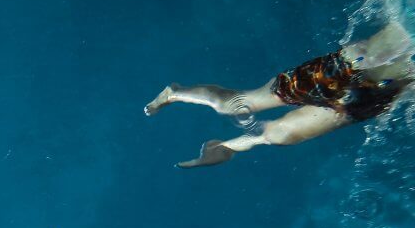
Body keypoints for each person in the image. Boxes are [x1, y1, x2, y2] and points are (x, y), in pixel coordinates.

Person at [145, 21, 414, 167]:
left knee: (281, 135)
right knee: (236, 105)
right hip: (346, 68)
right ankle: (175, 93)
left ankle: (226, 148)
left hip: (372, 96)